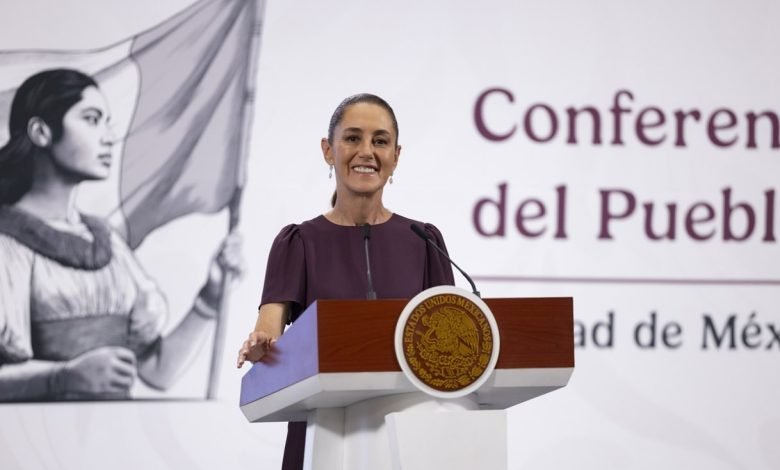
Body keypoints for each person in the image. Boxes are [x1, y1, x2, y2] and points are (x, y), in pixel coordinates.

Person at [236, 93, 455, 470]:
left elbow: (451, 342)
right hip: (322, 434)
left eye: (380, 141)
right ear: (328, 150)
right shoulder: (298, 242)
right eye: (353, 138)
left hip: (407, 435)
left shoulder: (424, 241)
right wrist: (262, 348)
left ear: (396, 155)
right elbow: (268, 332)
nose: (366, 151)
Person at [0, 68, 241, 401]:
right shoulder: (7, 243)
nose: (108, 136)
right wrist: (63, 377)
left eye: (107, 122)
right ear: (41, 132)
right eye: (91, 119)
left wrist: (210, 297)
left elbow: (158, 371)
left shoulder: (107, 241)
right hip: (35, 431)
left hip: (114, 430)